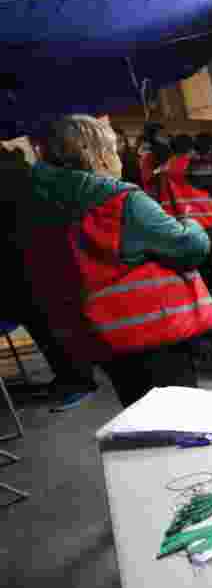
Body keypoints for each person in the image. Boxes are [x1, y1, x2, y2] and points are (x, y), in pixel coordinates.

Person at [16, 115, 212, 407]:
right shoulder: (122, 201)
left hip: (98, 333)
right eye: (114, 148)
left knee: (136, 409)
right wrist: (190, 223)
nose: (119, 157)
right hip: (152, 330)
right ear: (96, 153)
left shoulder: (38, 202)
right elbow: (189, 247)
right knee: (180, 416)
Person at [1, 145, 99, 411]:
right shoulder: (28, 174)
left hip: (28, 264)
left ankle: (78, 382)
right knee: (54, 325)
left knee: (53, 328)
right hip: (44, 261)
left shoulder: (11, 179)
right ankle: (72, 378)